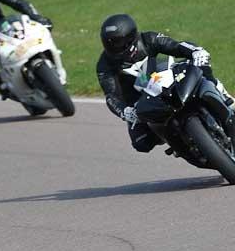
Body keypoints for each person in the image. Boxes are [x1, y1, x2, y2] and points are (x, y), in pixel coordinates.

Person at [97, 13, 234, 153]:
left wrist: (196, 52)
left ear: (131, 37)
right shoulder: (104, 65)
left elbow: (175, 46)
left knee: (202, 68)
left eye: (117, 42)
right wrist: (125, 111)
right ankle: (177, 143)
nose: (114, 47)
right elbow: (111, 96)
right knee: (141, 142)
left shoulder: (148, 39)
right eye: (109, 43)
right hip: (138, 101)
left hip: (163, 77)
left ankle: (225, 98)